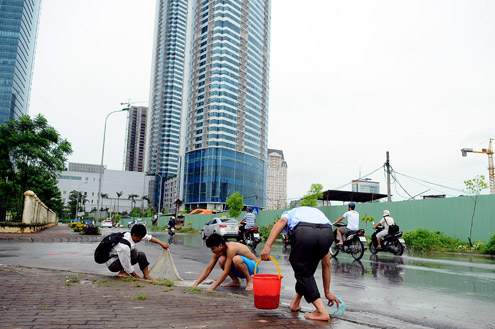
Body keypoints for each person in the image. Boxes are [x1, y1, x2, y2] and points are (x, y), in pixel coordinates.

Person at [260, 206, 340, 321]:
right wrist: (327, 292)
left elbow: (282, 221)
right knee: (307, 269)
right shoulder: (316, 214)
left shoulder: (289, 213)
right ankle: (295, 303)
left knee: (300, 268)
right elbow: (326, 264)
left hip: (304, 231)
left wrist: (267, 245)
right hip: (327, 233)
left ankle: (321, 311)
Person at [192, 233, 257, 291]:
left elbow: (226, 271)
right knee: (222, 260)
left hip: (253, 268)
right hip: (239, 269)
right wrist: (195, 285)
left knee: (236, 259)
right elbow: (208, 269)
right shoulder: (217, 253)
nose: (212, 251)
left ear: (220, 246)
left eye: (213, 248)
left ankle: (249, 281)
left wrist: (212, 288)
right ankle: (235, 281)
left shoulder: (231, 248)